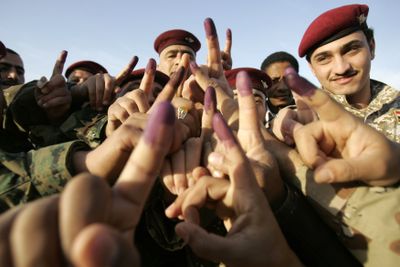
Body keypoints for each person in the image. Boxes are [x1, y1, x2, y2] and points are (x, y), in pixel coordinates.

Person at [298, 4, 399, 143]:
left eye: (351, 49)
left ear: (371, 47)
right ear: (312, 68)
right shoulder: (300, 122)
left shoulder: (396, 102)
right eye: (324, 58)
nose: (341, 68)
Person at [260, 51, 297, 126]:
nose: (282, 88)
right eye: (274, 81)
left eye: (289, 79)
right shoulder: (253, 117)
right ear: (263, 83)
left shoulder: (314, 114)